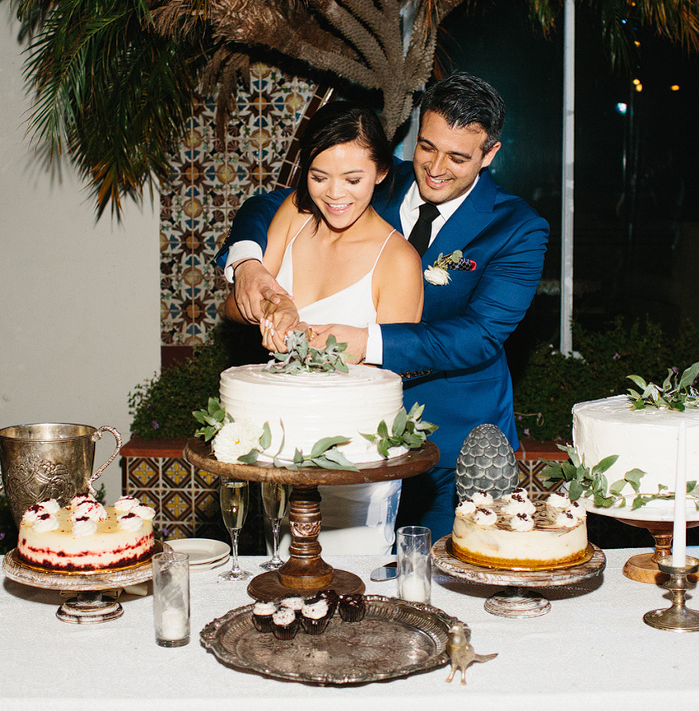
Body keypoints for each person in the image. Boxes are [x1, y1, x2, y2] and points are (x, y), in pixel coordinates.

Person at [219, 73, 549, 542]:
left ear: (489, 154)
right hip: (353, 434)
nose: (435, 168)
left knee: (442, 581)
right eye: (427, 147)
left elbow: (480, 335)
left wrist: (365, 341)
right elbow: (270, 205)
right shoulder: (374, 178)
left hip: (456, 439)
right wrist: (249, 263)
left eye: (457, 157)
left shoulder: (518, 227)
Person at [223, 100, 423, 555]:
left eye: (353, 179)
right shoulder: (293, 218)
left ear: (381, 174)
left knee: (350, 592)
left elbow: (395, 377)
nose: (334, 194)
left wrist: (308, 337)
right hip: (277, 446)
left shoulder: (397, 260)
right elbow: (231, 309)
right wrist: (271, 305)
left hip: (355, 462)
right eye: (319, 177)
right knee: (276, 579)